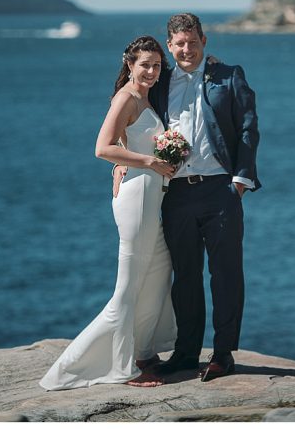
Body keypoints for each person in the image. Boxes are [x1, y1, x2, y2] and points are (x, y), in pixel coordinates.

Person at [39, 35, 177, 390]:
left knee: (159, 272)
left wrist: (143, 160)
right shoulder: (126, 98)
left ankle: (142, 351)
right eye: (144, 64)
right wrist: (149, 161)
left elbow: (123, 145)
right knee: (128, 286)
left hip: (150, 197)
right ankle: (119, 368)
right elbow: (102, 148)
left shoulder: (146, 97)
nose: (151, 70)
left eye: (157, 65)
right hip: (137, 199)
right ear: (129, 65)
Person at [139, 13, 260, 384]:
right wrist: (122, 163)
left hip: (220, 190)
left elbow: (247, 128)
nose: (187, 49)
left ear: (204, 41)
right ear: (170, 46)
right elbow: (136, 118)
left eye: (193, 42)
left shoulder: (229, 75)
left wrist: (239, 182)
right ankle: (187, 352)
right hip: (176, 193)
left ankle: (223, 354)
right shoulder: (159, 84)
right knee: (185, 276)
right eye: (179, 44)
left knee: (225, 274)